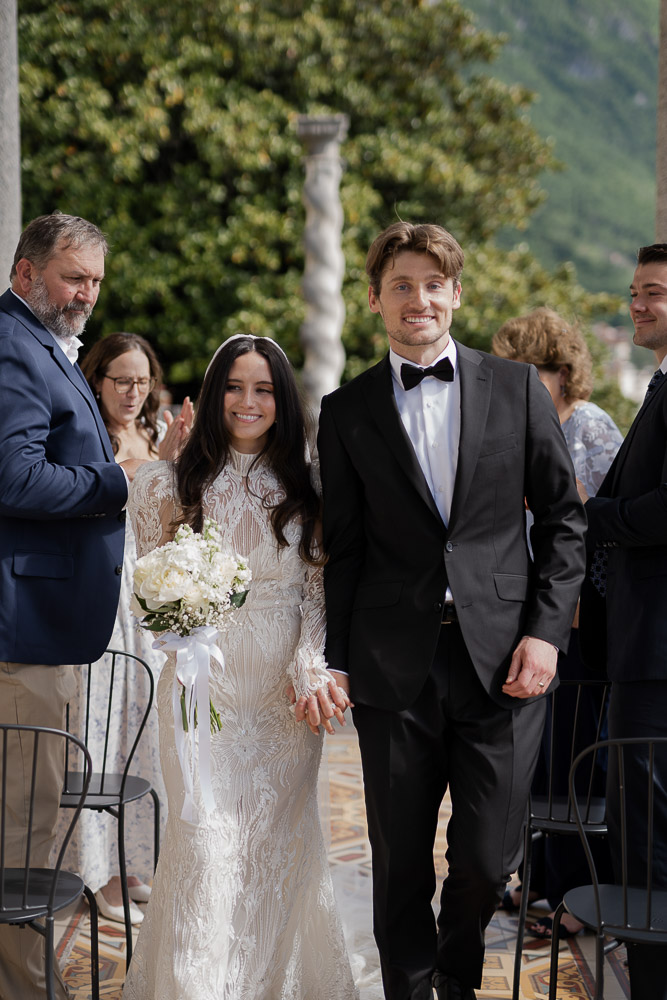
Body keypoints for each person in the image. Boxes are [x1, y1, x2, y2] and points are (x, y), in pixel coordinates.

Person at [317, 222, 587, 1000]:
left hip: (503, 661)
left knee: (485, 857)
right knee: (399, 857)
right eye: (401, 285)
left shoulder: (516, 388)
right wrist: (337, 661)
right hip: (391, 664)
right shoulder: (346, 411)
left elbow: (563, 522)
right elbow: (346, 551)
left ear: (456, 294)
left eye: (433, 284)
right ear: (375, 299)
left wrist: (544, 635)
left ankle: (455, 977)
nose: (419, 300)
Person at [123, 334, 358, 999]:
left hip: (283, 697)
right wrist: (184, 628)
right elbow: (150, 589)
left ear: (283, 400)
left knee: (274, 849)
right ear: (211, 395)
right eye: (232, 386)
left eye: (262, 389)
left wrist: (310, 660)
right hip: (202, 691)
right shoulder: (165, 483)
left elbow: (319, 589)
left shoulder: (310, 485)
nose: (246, 401)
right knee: (204, 848)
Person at [0, 213, 138, 1000]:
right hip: (23, 634)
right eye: (72, 277)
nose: (86, 294)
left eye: (95, 281)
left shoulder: (43, 344)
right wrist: (119, 481)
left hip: (46, 631)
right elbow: (14, 477)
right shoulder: (12, 345)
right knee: (21, 830)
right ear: (27, 274)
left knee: (31, 821)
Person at [51, 332, 193, 925]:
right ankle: (97, 873)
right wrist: (158, 466)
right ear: (97, 380)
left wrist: (179, 461)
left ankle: (133, 862)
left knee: (144, 730)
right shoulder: (88, 433)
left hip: (150, 595)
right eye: (121, 381)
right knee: (102, 728)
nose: (133, 392)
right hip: (106, 594)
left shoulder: (155, 433)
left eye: (142, 381)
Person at [492, 307, 622, 938]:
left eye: (531, 373)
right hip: (529, 611)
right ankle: (540, 877)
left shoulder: (590, 425)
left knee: (574, 758)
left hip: (577, 616)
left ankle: (577, 895)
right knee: (538, 759)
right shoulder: (518, 426)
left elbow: (608, 520)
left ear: (562, 373)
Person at [578, 243, 667, 1000]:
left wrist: (592, 512)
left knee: (648, 837)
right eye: (634, 291)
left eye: (653, 292)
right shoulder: (659, 383)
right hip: (643, 646)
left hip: (658, 655)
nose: (636, 304)